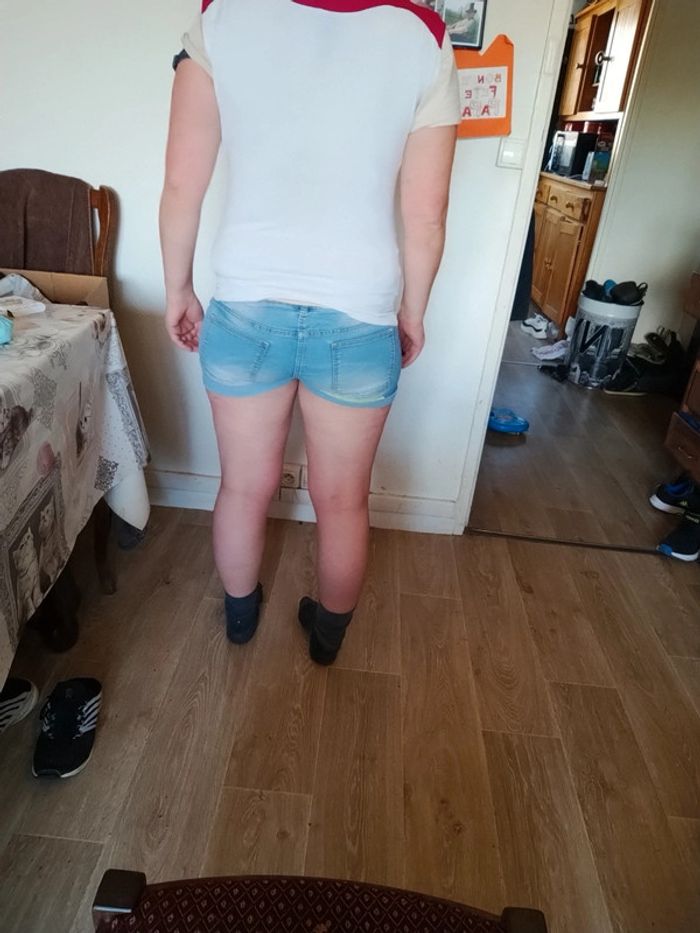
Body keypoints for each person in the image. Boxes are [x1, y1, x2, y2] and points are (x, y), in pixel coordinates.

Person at [160, 0, 459, 665]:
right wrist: (413, 312)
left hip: (245, 306)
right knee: (344, 500)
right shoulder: (423, 34)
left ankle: (241, 619)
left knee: (243, 487)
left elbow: (181, 184)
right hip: (359, 316)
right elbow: (428, 217)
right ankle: (327, 639)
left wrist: (178, 288)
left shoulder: (223, 16)